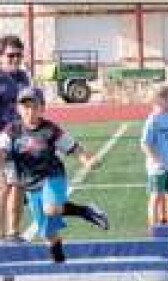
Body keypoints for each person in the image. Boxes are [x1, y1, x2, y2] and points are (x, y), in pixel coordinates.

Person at [0, 86, 109, 262]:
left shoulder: (50, 130)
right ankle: (60, 263)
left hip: (52, 176)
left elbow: (74, 148)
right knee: (49, 234)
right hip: (31, 184)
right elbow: (2, 151)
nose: (29, 111)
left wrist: (86, 160)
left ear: (42, 108)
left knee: (51, 209)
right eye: (25, 107)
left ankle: (84, 211)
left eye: (34, 106)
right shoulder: (11, 130)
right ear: (18, 109)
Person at [0, 35, 31, 242]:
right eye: (11, 55)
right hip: (0, 137)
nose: (15, 60)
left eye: (19, 55)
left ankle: (13, 232)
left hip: (19, 137)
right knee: (3, 186)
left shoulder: (23, 77)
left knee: (18, 184)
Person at [141, 84, 168, 229]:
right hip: (157, 168)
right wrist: (157, 161)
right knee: (156, 197)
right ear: (161, 100)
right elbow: (144, 144)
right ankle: (153, 228)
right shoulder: (152, 120)